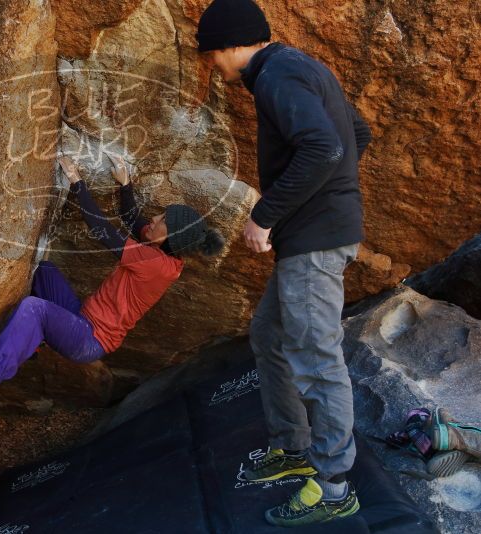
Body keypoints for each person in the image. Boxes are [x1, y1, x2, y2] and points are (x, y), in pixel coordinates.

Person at [196, 0, 372, 527]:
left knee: (317, 359)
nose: (212, 66)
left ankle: (335, 484)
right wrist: (326, 197)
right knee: (269, 333)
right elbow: (355, 133)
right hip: (316, 233)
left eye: (211, 56)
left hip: (314, 242)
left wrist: (266, 215)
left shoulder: (275, 77)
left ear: (230, 45)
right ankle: (293, 445)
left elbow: (323, 149)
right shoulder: (302, 66)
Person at [0, 154, 224, 411]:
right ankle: (31, 341)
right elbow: (133, 220)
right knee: (44, 271)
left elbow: (103, 231)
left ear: (171, 237)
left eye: (162, 220)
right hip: (82, 319)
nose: (154, 219)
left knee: (35, 308)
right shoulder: (165, 251)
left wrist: (76, 181)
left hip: (89, 339)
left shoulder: (158, 265)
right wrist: (125, 185)